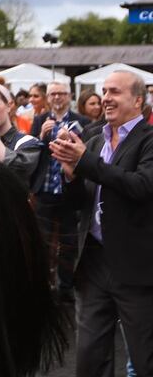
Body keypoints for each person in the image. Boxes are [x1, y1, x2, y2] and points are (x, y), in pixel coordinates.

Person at [50, 70, 153, 377]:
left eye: (114, 92)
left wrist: (85, 163)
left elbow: (140, 187)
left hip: (136, 267)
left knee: (145, 360)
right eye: (104, 91)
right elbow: (78, 203)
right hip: (92, 263)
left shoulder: (148, 141)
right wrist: (70, 176)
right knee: (90, 360)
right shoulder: (94, 142)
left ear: (137, 100)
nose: (106, 98)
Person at [30, 81, 89, 303]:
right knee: (42, 241)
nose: (57, 98)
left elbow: (87, 150)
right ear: (48, 97)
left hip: (68, 190)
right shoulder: (40, 120)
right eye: (53, 94)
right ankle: (44, 283)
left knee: (69, 242)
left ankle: (66, 285)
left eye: (62, 94)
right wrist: (41, 137)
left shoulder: (80, 121)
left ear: (69, 96)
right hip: (44, 189)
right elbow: (31, 152)